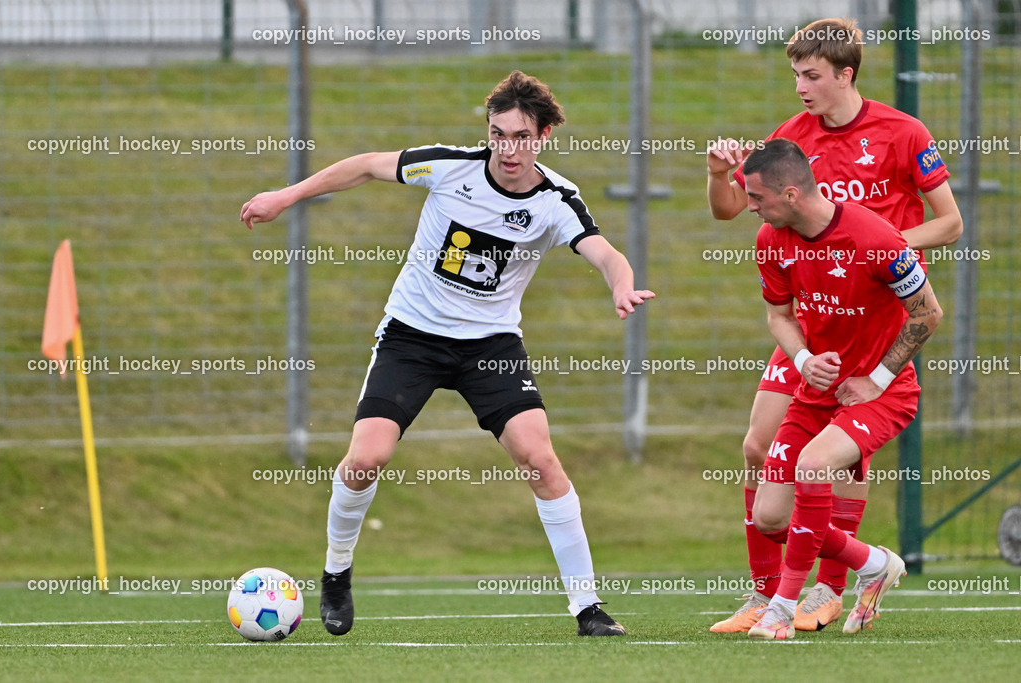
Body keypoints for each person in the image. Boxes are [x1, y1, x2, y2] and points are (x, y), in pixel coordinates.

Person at [240, 70, 653, 637]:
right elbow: (363, 165)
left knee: (541, 460)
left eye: (522, 137)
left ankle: (588, 608)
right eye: (498, 133)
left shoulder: (557, 199)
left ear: (545, 136)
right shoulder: (450, 167)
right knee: (365, 460)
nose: (508, 148)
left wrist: (620, 286)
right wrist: (287, 196)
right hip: (413, 336)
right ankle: (336, 573)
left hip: (490, 345)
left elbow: (605, 253)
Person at [706, 17, 961, 633]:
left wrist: (876, 248)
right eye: (796, 74)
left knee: (833, 453)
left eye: (811, 75)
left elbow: (950, 224)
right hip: (811, 320)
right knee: (758, 446)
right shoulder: (792, 138)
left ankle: (826, 589)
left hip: (878, 311)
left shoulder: (903, 132)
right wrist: (719, 175)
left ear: (845, 75)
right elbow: (734, 211)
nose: (800, 87)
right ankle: (766, 593)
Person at [737, 138, 942, 639]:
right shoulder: (771, 238)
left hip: (882, 392)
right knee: (768, 518)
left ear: (790, 194)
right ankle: (873, 564)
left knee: (812, 465)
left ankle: (782, 611)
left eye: (757, 197)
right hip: (818, 391)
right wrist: (805, 360)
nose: (751, 206)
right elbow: (779, 316)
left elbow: (929, 313)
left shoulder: (877, 238)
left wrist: (876, 379)